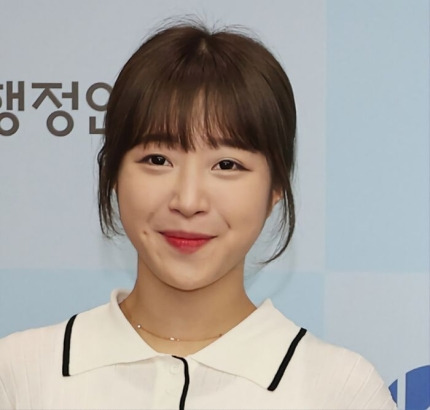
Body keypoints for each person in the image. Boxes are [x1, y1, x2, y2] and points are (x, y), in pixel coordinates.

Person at [0, 21, 396, 409]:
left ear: (276, 187)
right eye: (158, 159)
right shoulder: (20, 373)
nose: (188, 201)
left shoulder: (341, 391)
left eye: (226, 165)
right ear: (113, 174)